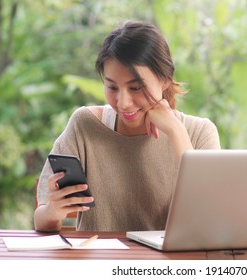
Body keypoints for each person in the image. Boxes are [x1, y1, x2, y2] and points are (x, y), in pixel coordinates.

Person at [34, 21, 221, 232]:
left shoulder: (200, 132)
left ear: (165, 81)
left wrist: (175, 130)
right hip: (100, 263)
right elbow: (40, 220)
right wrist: (53, 211)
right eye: (112, 87)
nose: (123, 103)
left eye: (136, 87)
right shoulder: (85, 125)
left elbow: (210, 217)